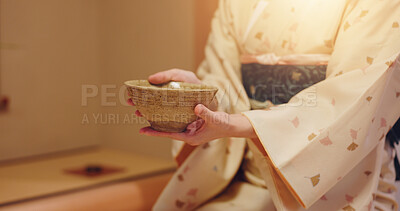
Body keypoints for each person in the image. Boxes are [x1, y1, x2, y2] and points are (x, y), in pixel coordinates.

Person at [132, 0, 400, 210]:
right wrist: (202, 100)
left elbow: (352, 96)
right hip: (250, 180)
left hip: (342, 186)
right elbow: (225, 83)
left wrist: (243, 124)